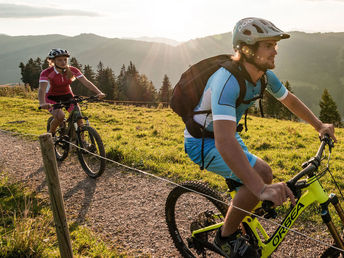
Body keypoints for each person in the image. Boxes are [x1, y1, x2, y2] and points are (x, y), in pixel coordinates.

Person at [184, 17, 337, 257]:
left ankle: (241, 220)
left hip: (226, 136)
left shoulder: (263, 75)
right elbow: (224, 142)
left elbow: (289, 100)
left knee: (258, 182)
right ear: (247, 49)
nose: (275, 51)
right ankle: (225, 237)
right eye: (269, 45)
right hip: (202, 142)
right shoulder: (226, 81)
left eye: (275, 45)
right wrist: (262, 189)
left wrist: (319, 125)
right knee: (262, 176)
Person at [38, 48, 105, 135]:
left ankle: (82, 142)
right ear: (53, 61)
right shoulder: (46, 73)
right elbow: (42, 89)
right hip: (51, 97)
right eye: (59, 60)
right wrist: (42, 103)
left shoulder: (73, 70)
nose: (63, 62)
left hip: (67, 95)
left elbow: (86, 82)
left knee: (79, 119)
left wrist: (98, 92)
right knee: (60, 116)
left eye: (65, 59)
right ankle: (50, 134)